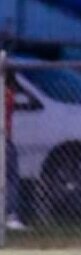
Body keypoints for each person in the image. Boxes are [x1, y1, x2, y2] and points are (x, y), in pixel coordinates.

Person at [4, 70, 27, 231]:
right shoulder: (8, 94)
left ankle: (9, 215)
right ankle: (10, 215)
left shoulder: (8, 94)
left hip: (5, 139)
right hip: (4, 141)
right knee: (11, 177)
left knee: (9, 176)